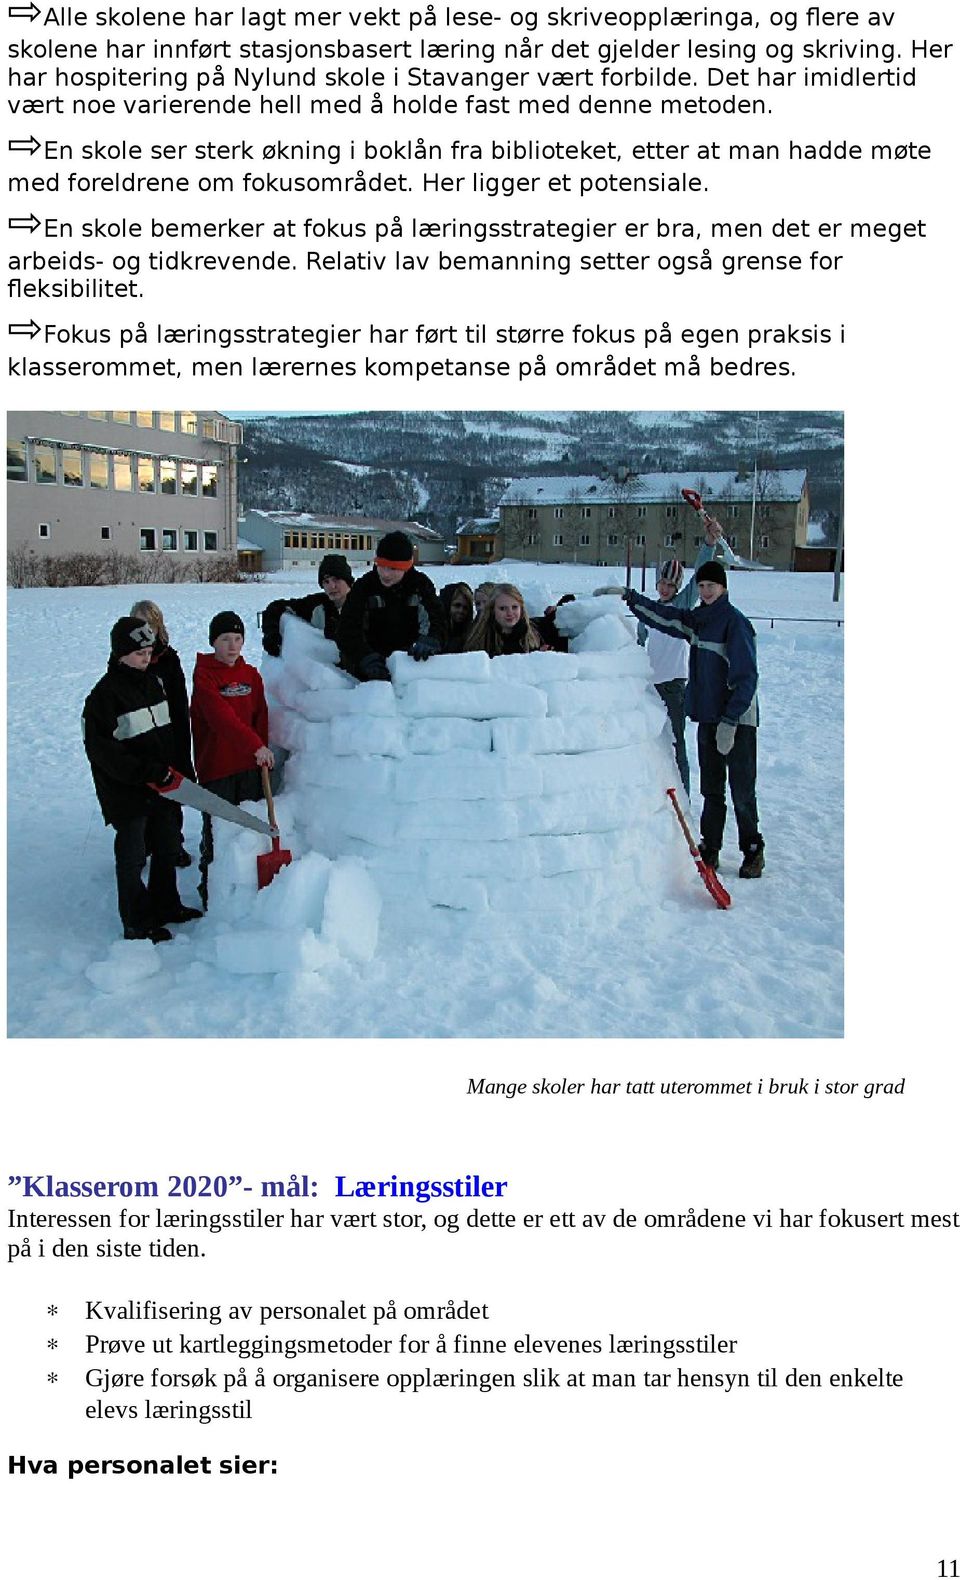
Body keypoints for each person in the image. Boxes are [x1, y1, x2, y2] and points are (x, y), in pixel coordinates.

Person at [623, 560, 764, 879]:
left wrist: (731, 719)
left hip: (737, 720)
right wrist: (632, 600)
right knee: (711, 789)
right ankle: (710, 846)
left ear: (723, 587)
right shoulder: (699, 619)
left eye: (711, 586)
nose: (705, 591)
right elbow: (668, 618)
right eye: (701, 586)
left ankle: (753, 849)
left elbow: (747, 677)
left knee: (741, 789)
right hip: (708, 717)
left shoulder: (735, 623)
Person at [82, 616, 202, 942]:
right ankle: (137, 921)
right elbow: (105, 755)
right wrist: (148, 772)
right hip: (127, 794)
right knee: (133, 856)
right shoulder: (103, 698)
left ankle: (166, 905)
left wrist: (174, 768)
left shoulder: (154, 684)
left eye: (149, 653)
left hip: (162, 785)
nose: (146, 659)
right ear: (120, 653)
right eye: (139, 654)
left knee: (166, 846)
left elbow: (167, 733)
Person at [634, 516, 724, 797]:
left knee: (675, 742)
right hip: (650, 686)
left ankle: (683, 794)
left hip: (674, 686)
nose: (664, 589)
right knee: (650, 739)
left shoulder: (681, 608)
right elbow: (639, 645)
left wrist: (709, 543)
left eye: (670, 585)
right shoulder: (649, 613)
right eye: (662, 583)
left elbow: (699, 575)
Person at [191, 611, 274, 907]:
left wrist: (262, 749)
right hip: (217, 768)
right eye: (225, 639)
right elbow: (220, 718)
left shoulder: (251, 675)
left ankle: (244, 895)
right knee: (216, 835)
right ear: (214, 641)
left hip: (250, 767)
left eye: (238, 639)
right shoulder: (204, 675)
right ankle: (210, 893)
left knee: (247, 833)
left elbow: (260, 716)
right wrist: (255, 745)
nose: (232, 646)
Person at [129, 598, 194, 867]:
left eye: (151, 624)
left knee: (170, 796)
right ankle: (142, 846)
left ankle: (172, 845)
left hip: (168, 738)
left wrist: (181, 747)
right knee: (142, 798)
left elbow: (180, 704)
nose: (146, 630)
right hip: (141, 740)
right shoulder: (126, 658)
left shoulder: (168, 659)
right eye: (140, 624)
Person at [336, 531, 444, 681]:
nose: (385, 574)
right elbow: (346, 630)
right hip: (370, 669)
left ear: (406, 567)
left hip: (412, 667)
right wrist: (364, 657)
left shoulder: (420, 585)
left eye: (393, 568)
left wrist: (431, 639)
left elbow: (438, 619)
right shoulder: (364, 587)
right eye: (382, 566)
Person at [260, 553, 355, 657]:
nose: (332, 586)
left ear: (347, 580)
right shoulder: (317, 606)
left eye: (336, 579)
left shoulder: (367, 604)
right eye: (326, 581)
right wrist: (271, 634)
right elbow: (276, 607)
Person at [465, 583, 542, 657]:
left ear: (521, 608)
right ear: (492, 610)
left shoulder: (533, 635)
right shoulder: (480, 640)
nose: (509, 613)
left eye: (514, 607)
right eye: (502, 608)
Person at [438, 582, 475, 653]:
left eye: (465, 608)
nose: (461, 611)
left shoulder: (471, 635)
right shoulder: (431, 630)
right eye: (457, 605)